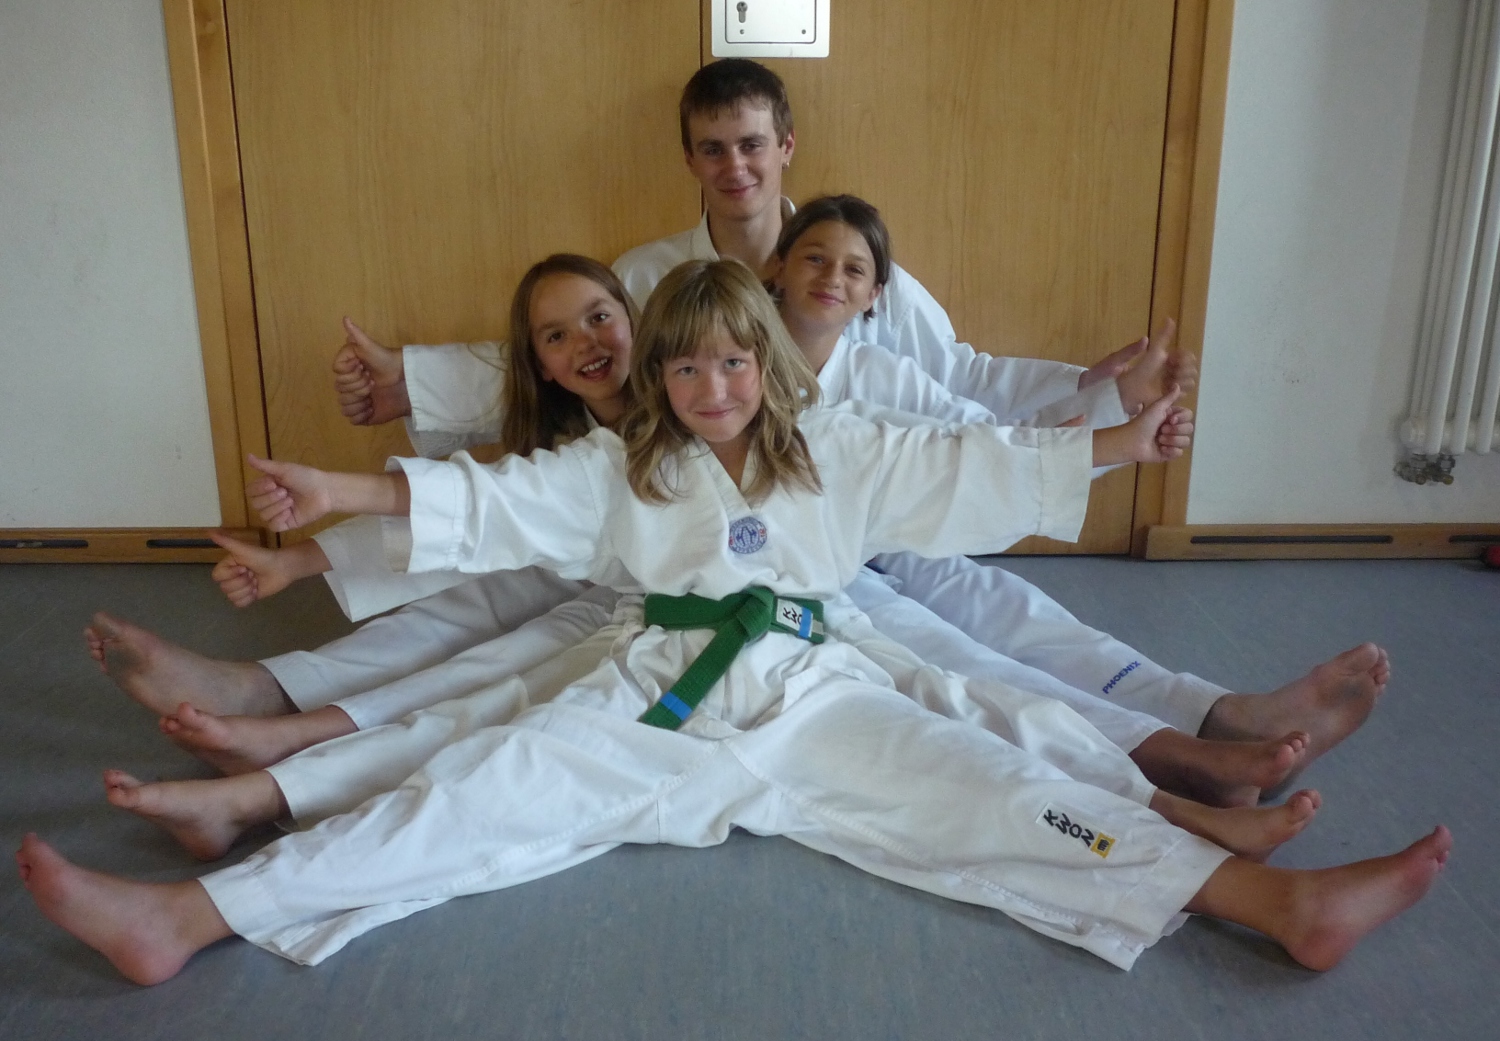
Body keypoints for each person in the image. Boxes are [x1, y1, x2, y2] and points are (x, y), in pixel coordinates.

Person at [25, 260, 1449, 986]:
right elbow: (490, 502)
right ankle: (187, 919)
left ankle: (1282, 906)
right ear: (661, 380)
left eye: (730, 363)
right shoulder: (616, 469)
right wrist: (339, 488)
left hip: (809, 691)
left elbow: (975, 466)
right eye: (686, 368)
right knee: (466, 794)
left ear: (765, 363)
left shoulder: (846, 451)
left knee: (1000, 790)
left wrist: (1123, 444)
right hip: (647, 696)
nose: (710, 388)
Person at [99, 220, 1299, 809]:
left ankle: (1187, 732)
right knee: (485, 620)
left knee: (979, 635)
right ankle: (279, 709)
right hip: (656, 591)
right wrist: (337, 499)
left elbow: (970, 417)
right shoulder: (615, 402)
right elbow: (489, 475)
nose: (589, 343)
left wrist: (1107, 417)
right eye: (560, 336)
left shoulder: (831, 367)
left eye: (850, 270)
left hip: (833, 564)